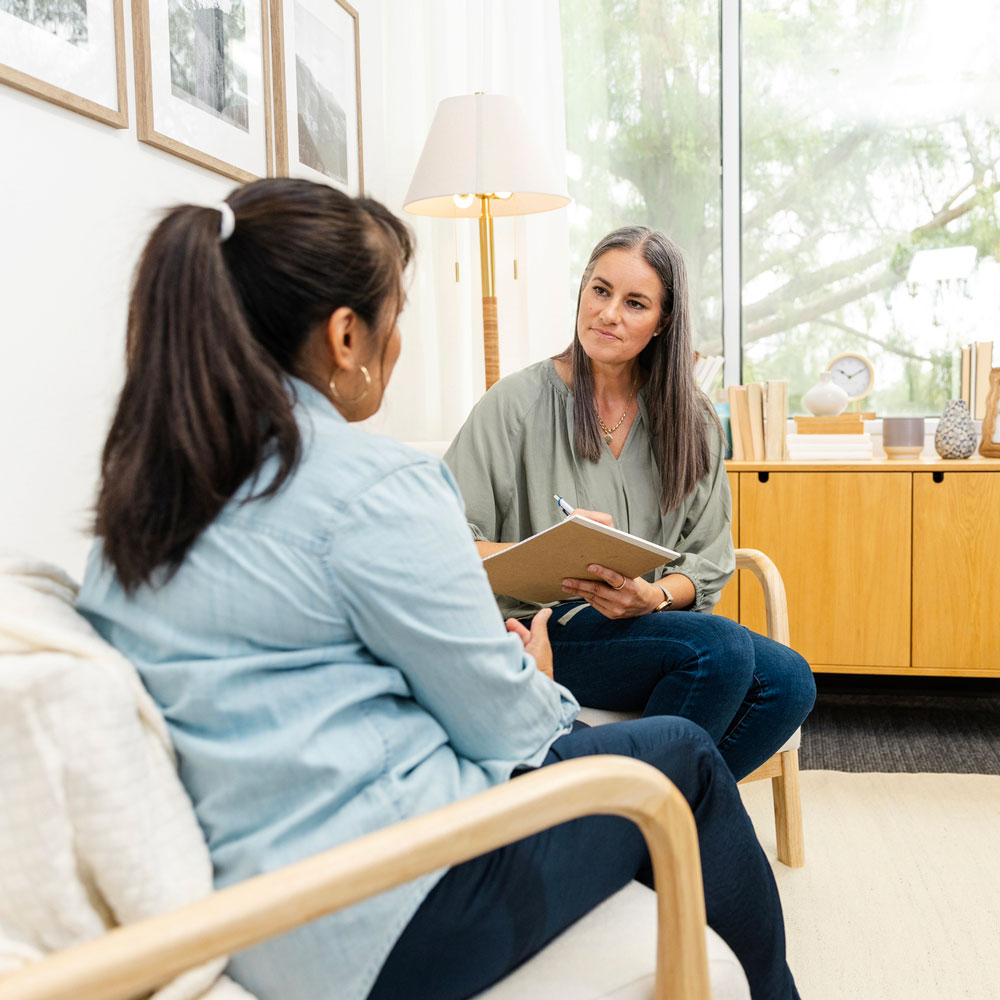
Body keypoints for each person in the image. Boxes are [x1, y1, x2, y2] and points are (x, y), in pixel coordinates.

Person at [77, 180, 800, 1000]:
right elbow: (512, 730)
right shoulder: (379, 484)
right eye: (397, 317)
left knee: (760, 677)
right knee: (683, 760)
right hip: (398, 904)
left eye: (635, 301)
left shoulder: (134, 505)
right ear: (347, 335)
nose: (398, 343)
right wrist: (539, 677)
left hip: (251, 914)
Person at [444, 226, 815, 782]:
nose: (608, 313)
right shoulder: (515, 404)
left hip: (650, 626)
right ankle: (652, 823)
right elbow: (442, 541)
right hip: (542, 628)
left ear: (663, 321)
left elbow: (709, 558)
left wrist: (655, 596)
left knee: (790, 680)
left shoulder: (693, 423)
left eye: (635, 303)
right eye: (600, 291)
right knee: (721, 653)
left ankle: (634, 821)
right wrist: (542, 552)